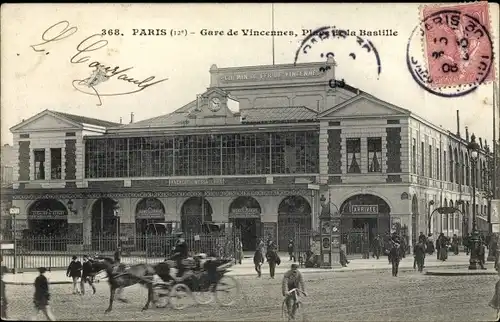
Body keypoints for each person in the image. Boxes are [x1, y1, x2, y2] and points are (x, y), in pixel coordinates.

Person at [1, 254, 8, 320]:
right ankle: (3, 315)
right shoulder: (2, 268)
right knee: (4, 301)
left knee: (4, 301)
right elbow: (7, 270)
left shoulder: (2, 268)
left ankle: (3, 315)